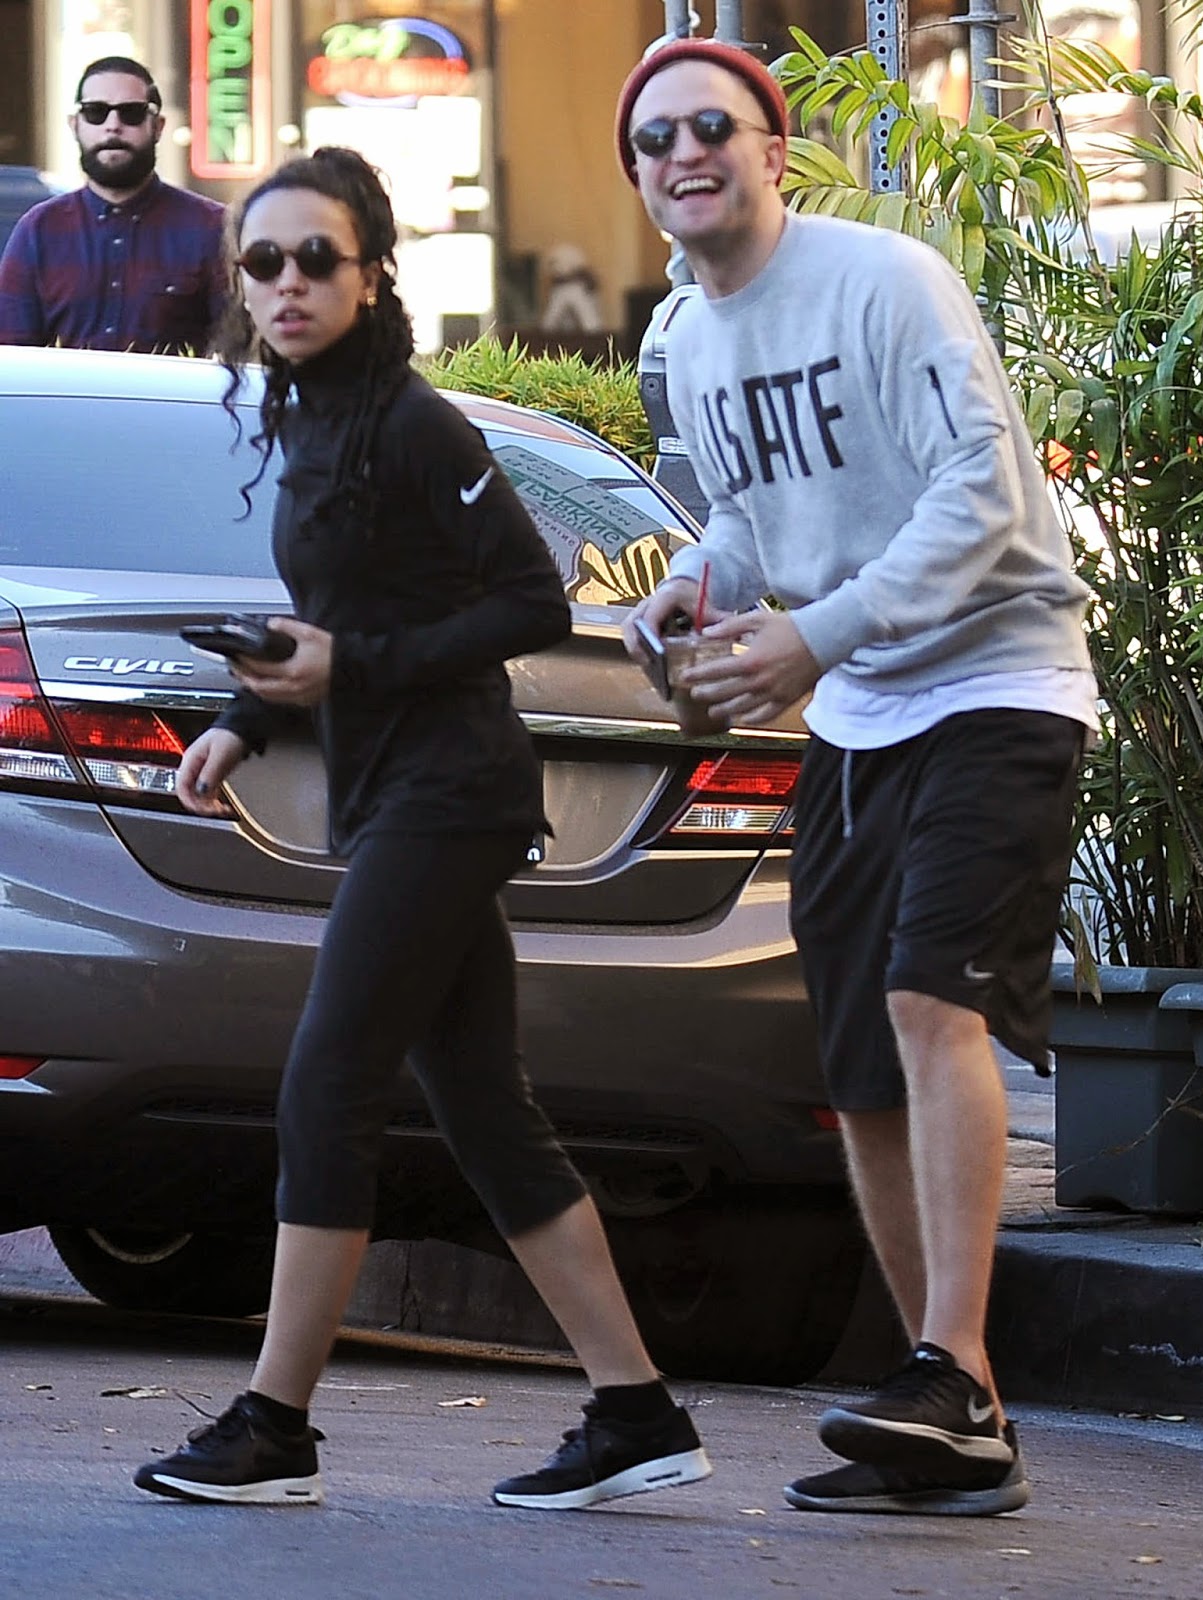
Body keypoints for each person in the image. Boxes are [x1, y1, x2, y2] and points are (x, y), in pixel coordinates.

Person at [132, 146, 710, 1511]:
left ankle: (274, 1424)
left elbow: (526, 603)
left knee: (327, 1081)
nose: (285, 284)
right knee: (486, 1111)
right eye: (261, 262)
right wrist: (245, 714)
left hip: (451, 795)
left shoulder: (411, 423)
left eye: (314, 259)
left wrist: (352, 668)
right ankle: (636, 1412)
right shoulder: (310, 418)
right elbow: (338, 615)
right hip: (396, 792)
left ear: (374, 273)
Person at [616, 39, 1098, 1517]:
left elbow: (984, 488)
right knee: (857, 1066)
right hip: (859, 715)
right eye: (653, 141)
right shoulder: (690, 338)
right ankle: (946, 1402)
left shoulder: (884, 281)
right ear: (638, 180)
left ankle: (951, 1370)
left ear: (772, 148)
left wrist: (814, 636)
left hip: (997, 678)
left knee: (927, 1001)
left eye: (712, 126)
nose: (684, 154)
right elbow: (750, 520)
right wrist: (691, 589)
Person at [0, 56, 226, 354]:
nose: (113, 126)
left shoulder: (212, 228)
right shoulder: (38, 231)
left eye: (131, 113)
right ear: (75, 125)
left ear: (158, 126)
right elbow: (12, 359)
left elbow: (237, 352)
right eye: (96, 112)